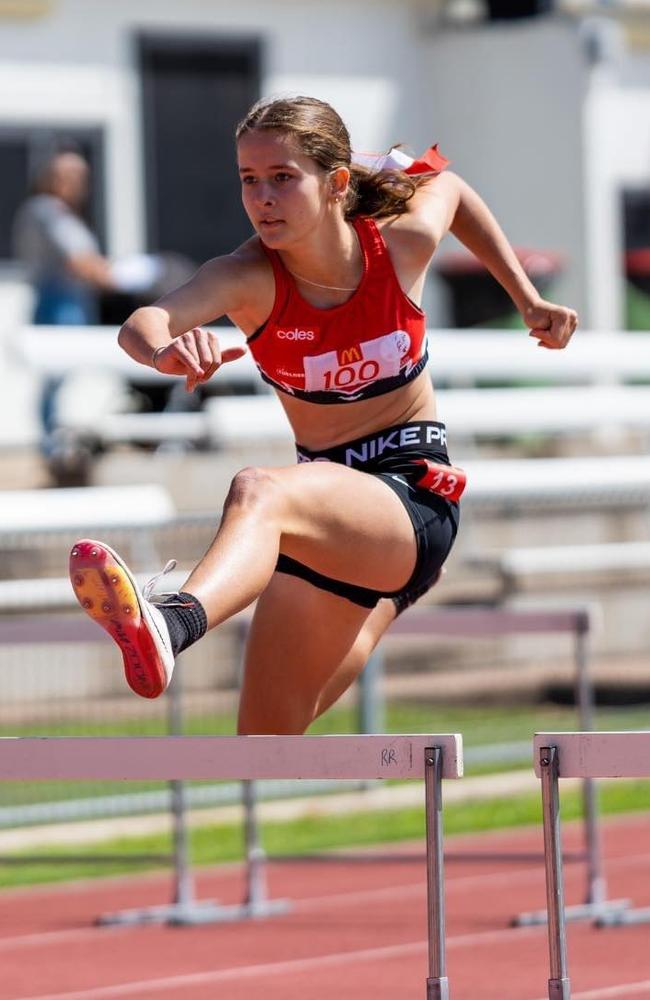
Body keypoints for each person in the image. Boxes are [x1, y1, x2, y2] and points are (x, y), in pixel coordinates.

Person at [69, 95, 577, 735]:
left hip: (410, 495)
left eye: (282, 177)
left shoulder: (401, 245)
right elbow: (141, 325)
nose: (263, 199)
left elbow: (449, 186)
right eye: (249, 181)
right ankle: (370, 608)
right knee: (264, 738)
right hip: (326, 522)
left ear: (336, 183)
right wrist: (167, 350)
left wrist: (527, 299)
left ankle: (171, 622)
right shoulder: (244, 278)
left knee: (259, 489)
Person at [12, 150, 116, 448]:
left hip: (68, 299)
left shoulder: (60, 213)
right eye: (68, 176)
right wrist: (113, 277)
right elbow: (79, 260)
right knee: (56, 372)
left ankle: (60, 442)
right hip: (59, 302)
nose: (76, 184)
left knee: (65, 375)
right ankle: (53, 446)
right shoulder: (48, 210)